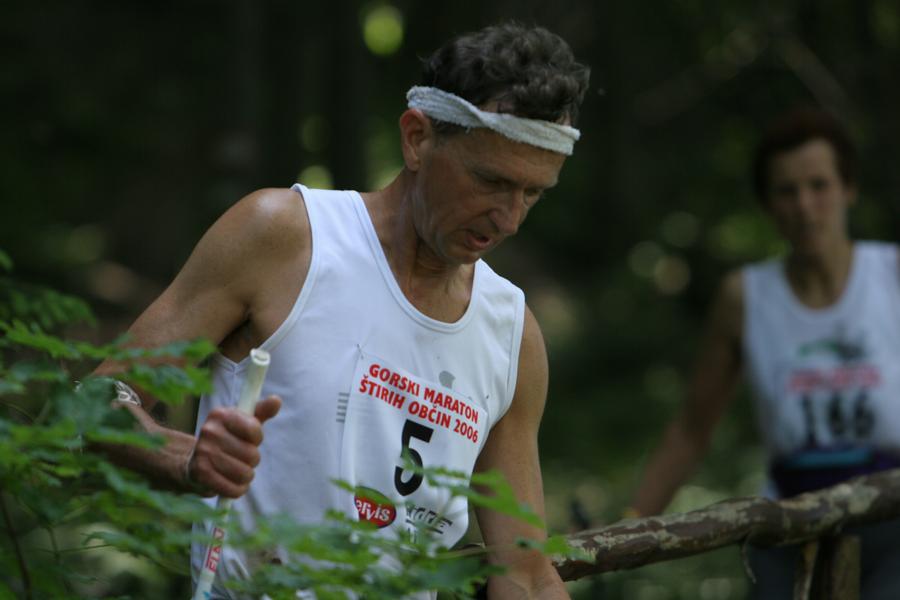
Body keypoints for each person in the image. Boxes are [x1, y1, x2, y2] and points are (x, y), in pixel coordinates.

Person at [94, 22, 590, 599]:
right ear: (417, 138)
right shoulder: (285, 237)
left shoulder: (510, 334)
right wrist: (184, 457)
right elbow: (97, 400)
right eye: (489, 180)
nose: (509, 219)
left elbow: (524, 572)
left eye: (532, 194)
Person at [629, 107, 900, 598]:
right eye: (786, 191)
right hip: (788, 527)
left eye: (819, 185)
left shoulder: (891, 275)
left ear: (848, 188)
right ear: (767, 204)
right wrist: (627, 525)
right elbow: (691, 429)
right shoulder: (745, 297)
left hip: (892, 521)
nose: (805, 206)